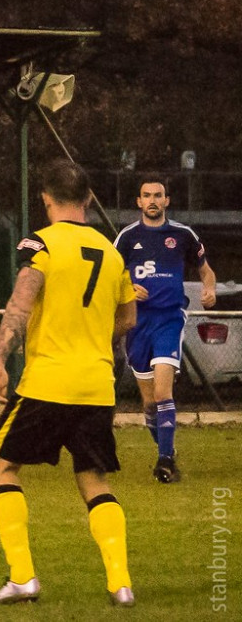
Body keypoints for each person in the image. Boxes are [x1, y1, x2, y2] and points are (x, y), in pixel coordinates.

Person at [0, 159, 137, 607]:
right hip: (97, 384)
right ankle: (120, 584)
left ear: (46, 200)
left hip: (48, 381)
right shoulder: (112, 252)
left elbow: (21, 302)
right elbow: (128, 317)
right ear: (88, 199)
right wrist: (91, 335)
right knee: (94, 479)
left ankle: (23, 578)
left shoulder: (42, 243)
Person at [114, 175, 216, 483]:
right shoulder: (127, 237)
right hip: (137, 322)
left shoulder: (183, 235)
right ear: (139, 202)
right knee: (148, 403)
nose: (153, 200)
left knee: (162, 392)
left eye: (159, 195)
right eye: (147, 195)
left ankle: (165, 461)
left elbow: (205, 270)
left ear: (167, 200)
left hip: (170, 318)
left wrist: (209, 290)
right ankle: (166, 453)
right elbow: (110, 277)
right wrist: (129, 287)